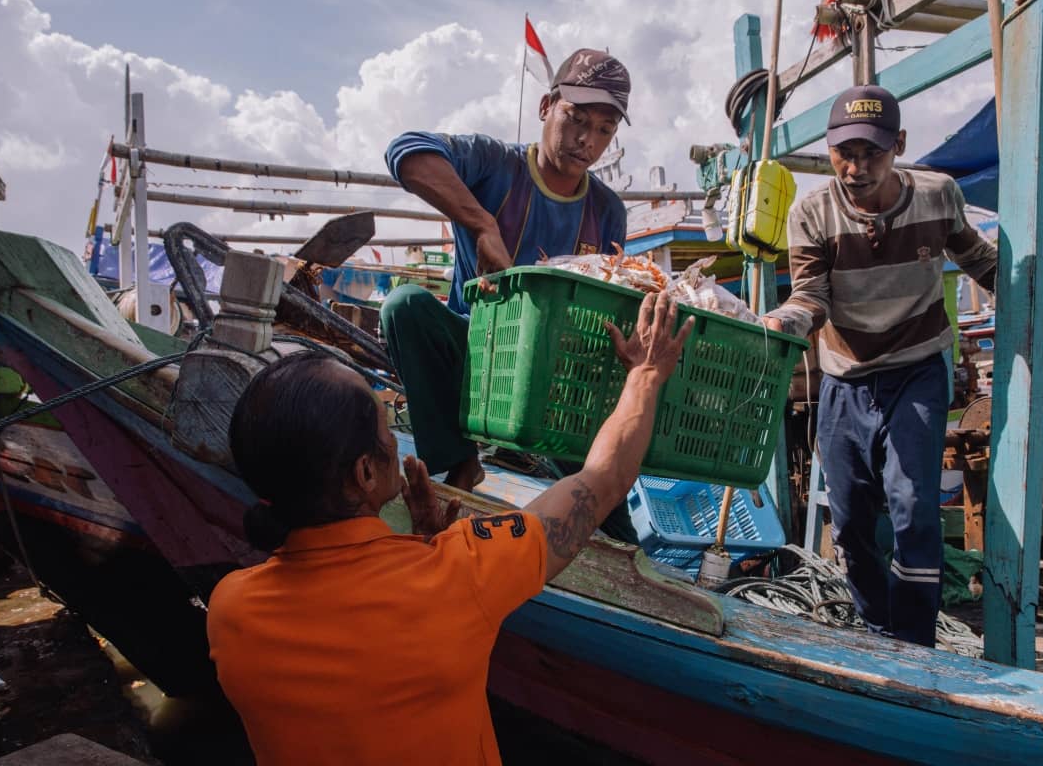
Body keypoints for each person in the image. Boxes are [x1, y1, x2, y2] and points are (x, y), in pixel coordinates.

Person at [207, 292, 693, 766]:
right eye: (385, 430)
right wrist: (647, 373)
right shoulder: (458, 575)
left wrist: (421, 542)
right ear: (365, 474)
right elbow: (603, 481)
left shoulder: (230, 611)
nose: (395, 443)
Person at [763, 85, 997, 647]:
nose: (856, 167)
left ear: (899, 145)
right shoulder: (812, 212)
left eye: (872, 152)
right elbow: (809, 296)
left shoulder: (938, 195)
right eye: (845, 152)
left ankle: (915, 642)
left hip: (916, 368)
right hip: (844, 376)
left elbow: (980, 259)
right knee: (849, 518)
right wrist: (780, 324)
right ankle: (875, 627)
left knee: (914, 506)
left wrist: (1041, 294)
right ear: (829, 149)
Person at [379, 48, 632, 492]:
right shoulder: (495, 163)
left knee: (605, 512)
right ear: (545, 107)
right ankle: (460, 460)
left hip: (555, 386)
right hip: (477, 360)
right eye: (576, 118)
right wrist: (481, 224)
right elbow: (407, 151)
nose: (586, 140)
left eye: (603, 130)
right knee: (403, 305)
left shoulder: (607, 209)